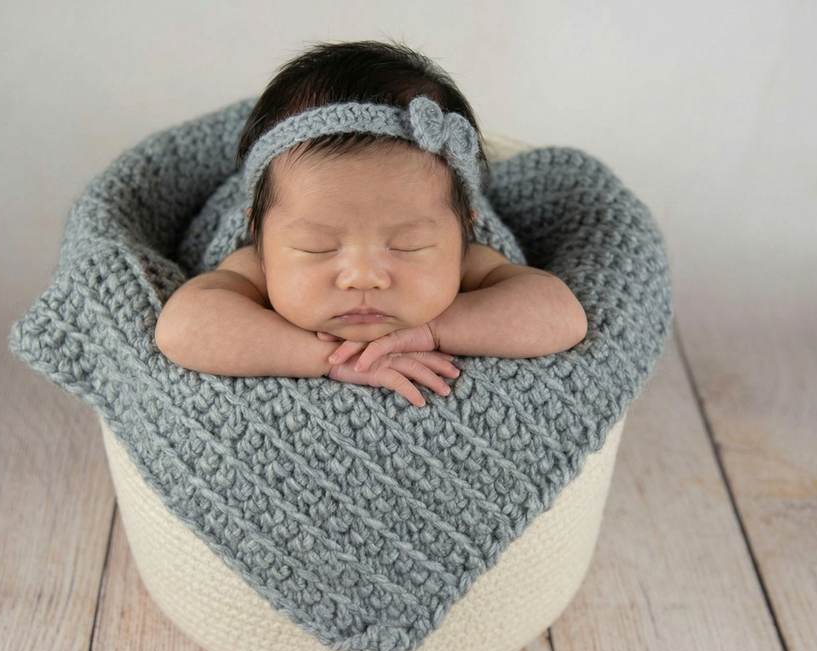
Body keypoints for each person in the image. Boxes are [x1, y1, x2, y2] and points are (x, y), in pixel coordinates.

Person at [156, 41, 587, 407]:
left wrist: (435, 329)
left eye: (408, 246)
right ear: (260, 237)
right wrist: (328, 359)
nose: (363, 277)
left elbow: (561, 317)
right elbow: (182, 329)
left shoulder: (469, 256)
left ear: (462, 232)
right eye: (317, 248)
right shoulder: (254, 260)